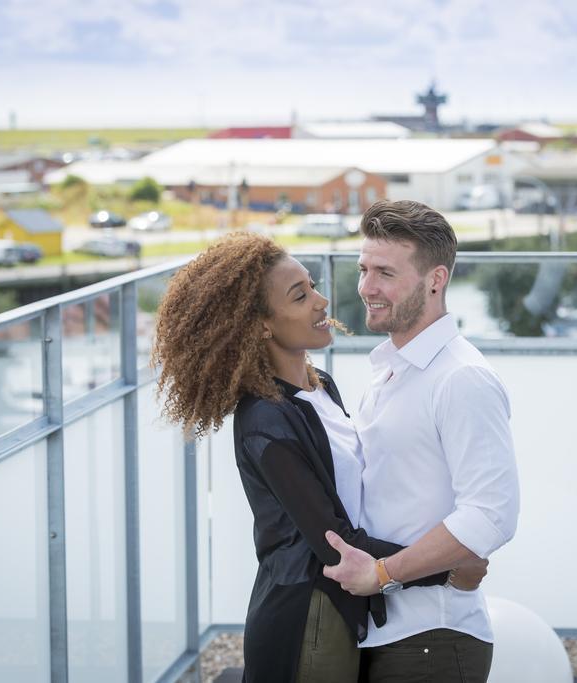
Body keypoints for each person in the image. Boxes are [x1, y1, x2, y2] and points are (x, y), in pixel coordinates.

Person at [151, 232, 485, 682]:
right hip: (309, 620)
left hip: (347, 610)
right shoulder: (266, 421)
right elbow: (335, 541)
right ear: (262, 325)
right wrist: (446, 569)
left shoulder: (321, 385)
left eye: (312, 285)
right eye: (300, 295)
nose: (322, 300)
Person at [323, 200, 521, 682]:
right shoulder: (394, 369)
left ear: (435, 280)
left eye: (385, 273)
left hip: (434, 638)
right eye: (363, 269)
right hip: (389, 633)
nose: (367, 288)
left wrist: (383, 573)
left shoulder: (461, 378)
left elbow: (491, 512)